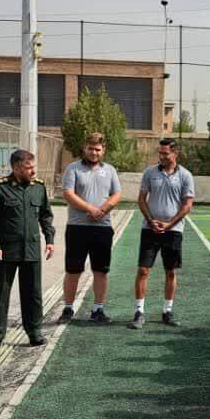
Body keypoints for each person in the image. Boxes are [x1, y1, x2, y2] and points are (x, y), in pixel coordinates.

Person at [0, 149, 56, 350]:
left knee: (33, 293)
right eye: (28, 168)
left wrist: (49, 240)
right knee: (0, 294)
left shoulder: (39, 188)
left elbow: (46, 216)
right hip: (6, 250)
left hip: (32, 249)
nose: (33, 171)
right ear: (16, 168)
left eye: (34, 167)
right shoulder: (0, 187)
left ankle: (34, 332)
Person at [129, 138, 195, 330]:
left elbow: (187, 205)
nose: (162, 156)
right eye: (160, 153)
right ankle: (139, 312)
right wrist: (151, 221)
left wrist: (169, 224)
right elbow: (141, 199)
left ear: (175, 154)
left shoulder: (185, 176)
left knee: (170, 271)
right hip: (150, 229)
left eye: (165, 153)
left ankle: (167, 311)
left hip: (173, 231)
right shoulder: (150, 172)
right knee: (143, 270)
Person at [58, 132, 122, 324]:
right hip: (78, 227)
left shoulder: (110, 170)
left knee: (101, 271)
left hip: (102, 228)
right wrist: (90, 209)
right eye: (90, 148)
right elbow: (68, 194)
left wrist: (102, 209)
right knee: (73, 270)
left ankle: (98, 310)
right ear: (84, 148)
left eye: (98, 149)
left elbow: (117, 194)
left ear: (103, 150)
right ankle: (68, 308)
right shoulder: (73, 168)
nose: (94, 152)